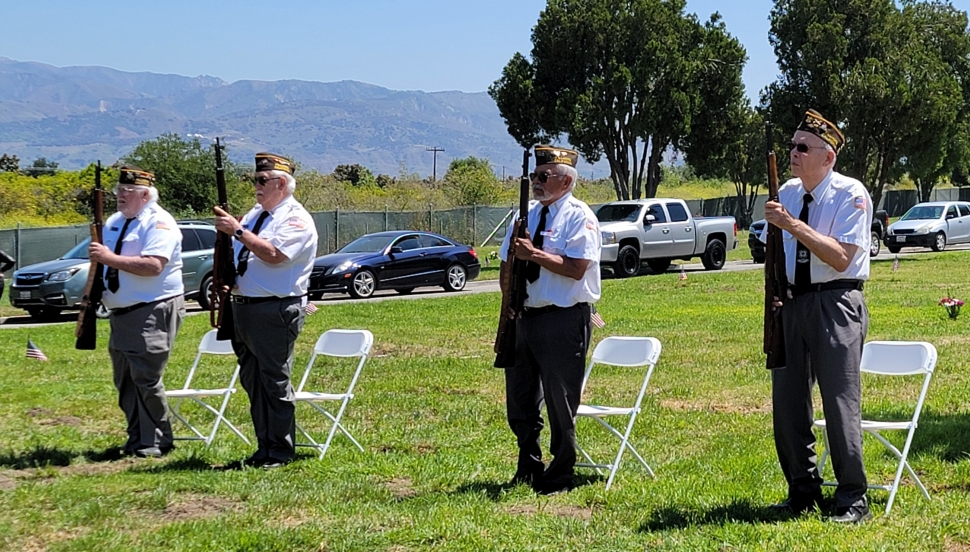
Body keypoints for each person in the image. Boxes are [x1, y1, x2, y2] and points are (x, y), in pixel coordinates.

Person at [763, 109, 873, 523]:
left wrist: (791, 225)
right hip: (792, 304)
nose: (794, 152)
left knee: (839, 401)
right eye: (792, 145)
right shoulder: (788, 191)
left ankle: (852, 497)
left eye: (802, 147)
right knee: (788, 403)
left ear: (828, 157)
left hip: (836, 302)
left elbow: (842, 257)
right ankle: (802, 490)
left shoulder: (850, 194)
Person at [499, 145, 601, 495]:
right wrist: (508, 299)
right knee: (520, 399)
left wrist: (535, 254)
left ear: (566, 180)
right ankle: (528, 464)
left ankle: (560, 473)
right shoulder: (523, 216)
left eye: (544, 177)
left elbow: (576, 269)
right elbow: (506, 264)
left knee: (560, 401)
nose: (537, 183)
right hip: (526, 318)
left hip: (563, 318)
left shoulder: (578, 216)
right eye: (534, 176)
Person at [213, 152, 318, 469]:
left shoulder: (295, 219)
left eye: (262, 181)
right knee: (253, 382)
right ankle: (264, 447)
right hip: (244, 308)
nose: (256, 187)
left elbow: (274, 255)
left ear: (281, 183)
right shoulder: (256, 215)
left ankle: (282, 450)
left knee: (274, 382)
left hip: (275, 309)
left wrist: (238, 232)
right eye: (254, 180)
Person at [89, 167, 185, 458]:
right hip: (121, 311)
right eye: (118, 190)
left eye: (127, 191)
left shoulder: (159, 223)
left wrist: (109, 258)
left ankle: (158, 439)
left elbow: (154, 265)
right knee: (125, 379)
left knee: (145, 375)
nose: (120, 195)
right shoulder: (117, 221)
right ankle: (137, 437)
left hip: (151, 307)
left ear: (145, 194)